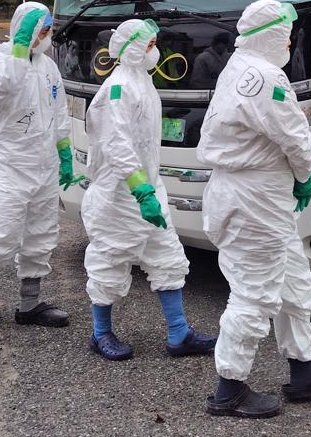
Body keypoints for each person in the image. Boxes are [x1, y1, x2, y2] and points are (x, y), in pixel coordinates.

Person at [198, 0, 311, 419]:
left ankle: (303, 370)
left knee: (293, 285)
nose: (289, 43)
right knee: (254, 293)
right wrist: (309, 172)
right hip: (256, 200)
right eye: (285, 35)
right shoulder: (266, 77)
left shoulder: (239, 66)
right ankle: (229, 389)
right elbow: (294, 136)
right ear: (270, 36)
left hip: (257, 196)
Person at [81, 18, 216, 361]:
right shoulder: (118, 87)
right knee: (110, 259)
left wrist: (147, 190)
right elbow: (117, 144)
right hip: (119, 194)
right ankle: (100, 333)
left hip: (147, 187)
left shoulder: (143, 80)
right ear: (133, 48)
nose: (155, 51)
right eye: (150, 44)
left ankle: (179, 334)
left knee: (167, 256)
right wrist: (140, 191)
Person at [0, 2, 78, 329]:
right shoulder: (1, 60)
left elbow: (58, 110)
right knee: (3, 231)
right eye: (40, 30)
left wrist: (64, 150)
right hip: (10, 164)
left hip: (44, 164)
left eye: (48, 30)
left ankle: (30, 304)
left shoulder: (48, 66)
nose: (46, 36)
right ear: (24, 30)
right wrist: (21, 46)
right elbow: (6, 85)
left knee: (42, 233)